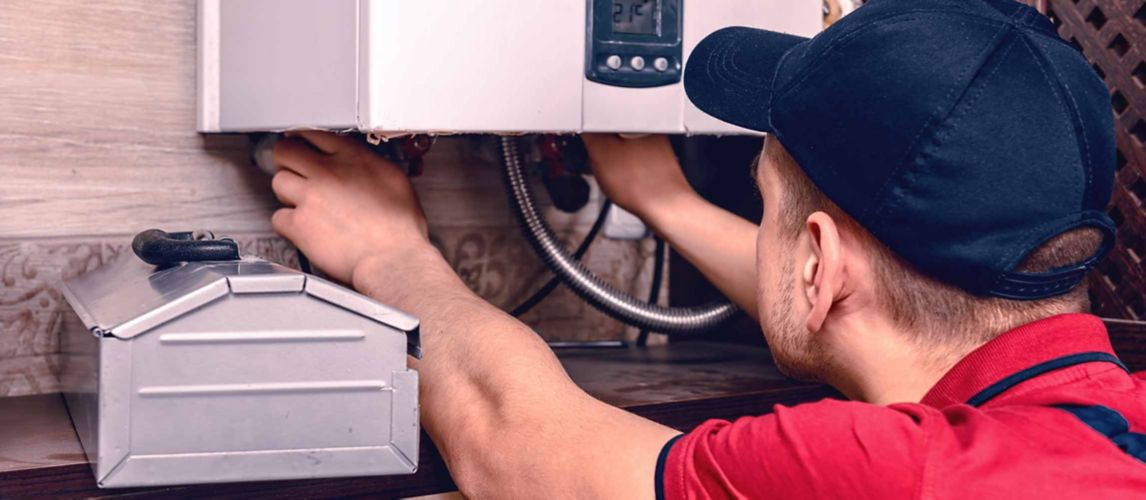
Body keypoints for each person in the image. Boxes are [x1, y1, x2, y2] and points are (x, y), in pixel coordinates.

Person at [268, 0, 1146, 497]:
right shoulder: (1110, 419)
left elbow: (514, 446)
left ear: (815, 263)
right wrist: (665, 201)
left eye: (764, 199)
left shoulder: (885, 475)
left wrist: (387, 251)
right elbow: (854, 303)